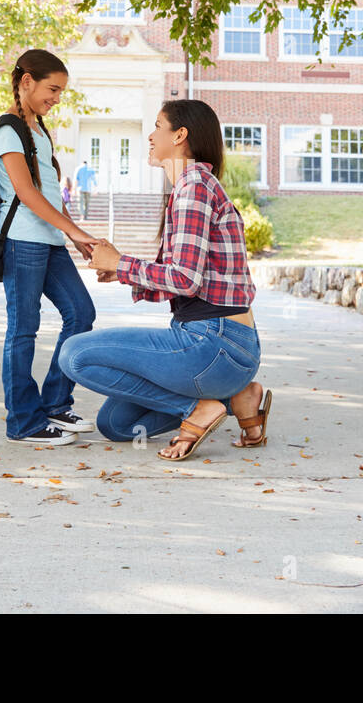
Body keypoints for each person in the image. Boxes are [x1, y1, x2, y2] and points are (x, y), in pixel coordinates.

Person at [58, 99, 271, 461]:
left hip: (212, 344)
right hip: (228, 350)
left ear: (180, 135)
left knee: (74, 355)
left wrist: (123, 262)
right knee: (117, 425)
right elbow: (190, 278)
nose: (150, 135)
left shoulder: (194, 188)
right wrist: (122, 272)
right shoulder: (194, 186)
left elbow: (184, 278)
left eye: (158, 126)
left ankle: (197, 410)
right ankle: (235, 398)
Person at [0, 49, 99, 446]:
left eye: (61, 91)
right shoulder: (8, 130)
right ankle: (23, 421)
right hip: (22, 240)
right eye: (52, 89)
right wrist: (77, 232)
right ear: (26, 82)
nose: (56, 97)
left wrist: (72, 234)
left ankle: (54, 404)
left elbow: (51, 193)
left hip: (49, 241)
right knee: (23, 329)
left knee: (81, 313)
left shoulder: (38, 129)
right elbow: (27, 193)